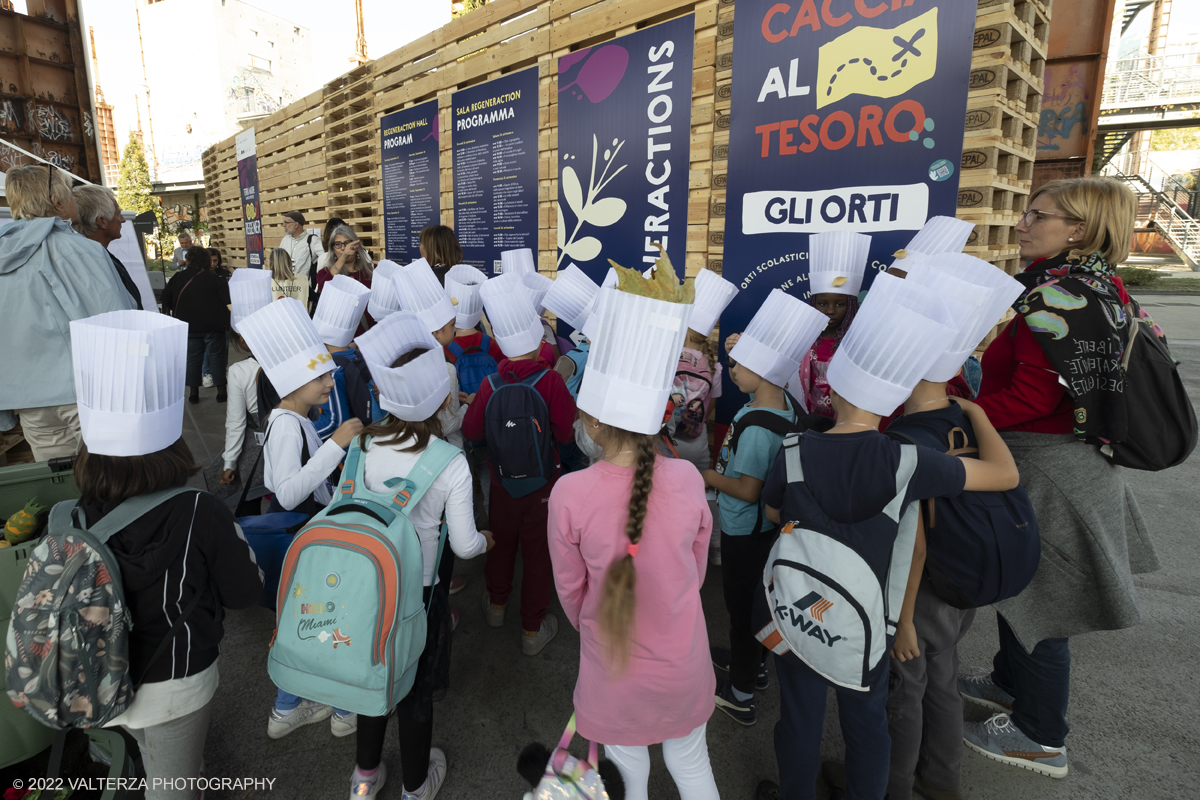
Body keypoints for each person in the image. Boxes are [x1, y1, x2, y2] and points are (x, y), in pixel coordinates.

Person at [756, 275, 1020, 800]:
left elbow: (769, 512)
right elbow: (1005, 475)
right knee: (867, 721)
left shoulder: (792, 450)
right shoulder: (908, 460)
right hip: (871, 620)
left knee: (800, 720)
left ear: (833, 387)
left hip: (798, 615)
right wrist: (979, 414)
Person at [959, 177, 1161, 779]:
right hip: (1055, 459)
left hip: (1048, 469)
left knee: (1042, 604)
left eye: (1037, 215)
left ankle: (1040, 737)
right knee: (1017, 581)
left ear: (1077, 229)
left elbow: (1030, 394)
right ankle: (1005, 683)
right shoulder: (1090, 287)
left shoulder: (1061, 299)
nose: (1021, 223)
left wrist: (958, 414)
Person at [68, 310, 262, 800]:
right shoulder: (198, 510)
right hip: (176, 681)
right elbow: (243, 591)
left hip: (96, 676)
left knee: (150, 756)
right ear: (170, 444)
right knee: (174, 787)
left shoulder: (70, 516)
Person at [549, 269, 719, 800]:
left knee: (627, 778)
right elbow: (695, 568)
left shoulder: (570, 493)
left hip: (612, 673)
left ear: (591, 425)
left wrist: (597, 620)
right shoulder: (688, 477)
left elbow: (570, 591)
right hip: (683, 665)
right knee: (692, 768)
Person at [871, 254, 1025, 800]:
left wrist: (903, 618)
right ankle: (942, 781)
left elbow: (911, 547)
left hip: (922, 591)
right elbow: (1006, 476)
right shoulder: (963, 415)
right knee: (943, 681)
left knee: (906, 688)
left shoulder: (905, 441)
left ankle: (892, 786)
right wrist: (980, 413)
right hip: (964, 580)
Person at [348, 312, 495, 800]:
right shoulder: (449, 461)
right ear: (440, 395)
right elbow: (465, 546)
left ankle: (365, 778)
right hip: (422, 592)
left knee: (372, 677)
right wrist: (488, 543)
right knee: (415, 688)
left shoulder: (365, 442)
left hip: (370, 583)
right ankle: (415, 785)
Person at [235, 297, 364, 739]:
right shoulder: (288, 424)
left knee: (307, 619)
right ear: (291, 381)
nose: (331, 382)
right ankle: (338, 706)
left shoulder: (293, 416)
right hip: (302, 535)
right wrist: (338, 445)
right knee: (323, 616)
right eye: (321, 375)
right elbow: (288, 491)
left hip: (307, 530)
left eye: (329, 373)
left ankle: (294, 704)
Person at [702, 289, 828, 727]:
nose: (731, 368)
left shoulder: (756, 426)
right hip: (766, 532)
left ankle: (739, 693)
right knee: (757, 604)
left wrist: (702, 475)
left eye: (737, 364)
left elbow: (748, 489)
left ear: (761, 370)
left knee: (741, 610)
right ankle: (753, 666)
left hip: (746, 530)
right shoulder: (785, 405)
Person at [462, 273, 577, 655]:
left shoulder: (490, 385)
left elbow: (472, 430)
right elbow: (565, 435)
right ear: (537, 341)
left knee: (501, 543)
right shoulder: (551, 383)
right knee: (538, 553)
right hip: (544, 485)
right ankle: (531, 629)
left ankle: (496, 606)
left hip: (501, 481)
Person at [0, 164, 137, 460]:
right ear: (58, 202)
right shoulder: (79, 250)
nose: (76, 201)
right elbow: (114, 318)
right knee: (114, 476)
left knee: (60, 483)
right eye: (71, 196)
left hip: (27, 397)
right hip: (84, 392)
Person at [795, 231, 869, 419]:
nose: (830, 311)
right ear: (813, 304)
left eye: (839, 304)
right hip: (808, 421)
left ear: (851, 306)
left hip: (846, 423)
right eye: (822, 303)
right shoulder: (802, 339)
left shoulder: (857, 343)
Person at [394, 258, 465, 450]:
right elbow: (447, 425)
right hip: (443, 450)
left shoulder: (402, 363)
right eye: (451, 325)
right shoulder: (446, 369)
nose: (455, 329)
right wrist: (469, 406)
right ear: (436, 333)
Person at [218, 269, 274, 495]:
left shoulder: (238, 371)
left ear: (241, 338)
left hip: (261, 447)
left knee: (249, 498)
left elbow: (236, 423)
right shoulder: (288, 359)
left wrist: (229, 462)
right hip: (295, 443)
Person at [310, 274, 377, 440]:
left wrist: (306, 435)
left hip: (345, 452)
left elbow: (334, 422)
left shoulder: (331, 371)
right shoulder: (358, 356)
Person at [161, 247, 231, 404]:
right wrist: (228, 324)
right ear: (205, 261)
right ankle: (221, 392)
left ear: (189, 260)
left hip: (188, 326)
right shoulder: (215, 280)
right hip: (214, 326)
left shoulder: (178, 278)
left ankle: (193, 393)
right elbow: (227, 303)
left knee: (192, 359)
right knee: (216, 358)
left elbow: (166, 299)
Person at [71, 183, 142, 309]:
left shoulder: (89, 257)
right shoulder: (93, 263)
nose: (123, 220)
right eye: (118, 214)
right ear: (102, 221)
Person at [315, 224, 374, 333]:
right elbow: (324, 289)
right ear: (333, 249)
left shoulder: (371, 271)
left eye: (347, 243)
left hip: (370, 337)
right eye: (338, 244)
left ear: (356, 246)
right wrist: (343, 257)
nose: (343, 248)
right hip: (343, 341)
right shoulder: (325, 273)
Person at [279, 210, 323, 279]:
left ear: (296, 225)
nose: (283, 225)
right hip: (286, 285)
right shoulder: (285, 239)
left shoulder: (313, 240)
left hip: (304, 286)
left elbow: (325, 260)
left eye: (286, 222)